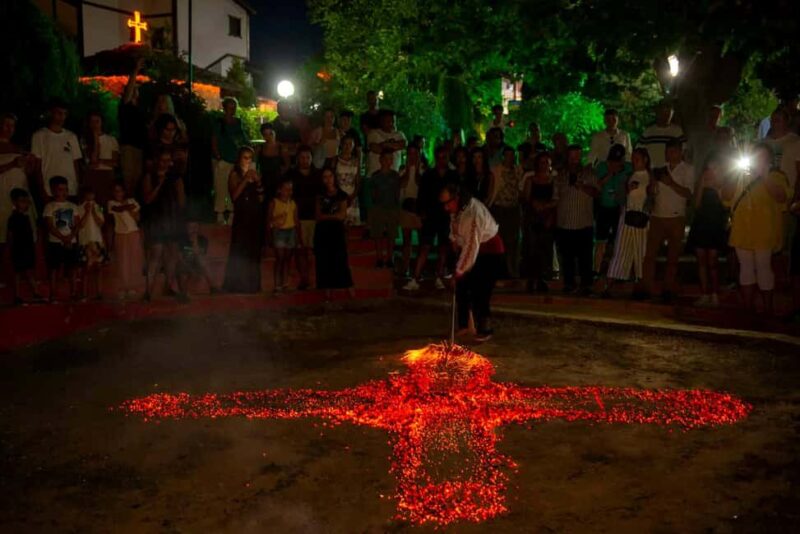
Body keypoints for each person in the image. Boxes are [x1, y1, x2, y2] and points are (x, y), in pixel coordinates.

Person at [722, 143, 790, 315]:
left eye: (762, 157)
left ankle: (768, 309)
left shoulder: (776, 176)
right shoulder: (741, 176)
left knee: (763, 267)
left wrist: (764, 176)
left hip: (764, 230)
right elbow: (726, 197)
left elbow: (781, 197)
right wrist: (732, 175)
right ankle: (748, 307)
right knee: (745, 267)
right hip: (742, 229)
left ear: (769, 159)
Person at [441, 183, 505, 342]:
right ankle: (465, 325)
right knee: (462, 287)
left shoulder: (473, 212)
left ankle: (485, 327)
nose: (445, 208)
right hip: (471, 248)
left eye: (447, 203)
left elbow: (472, 245)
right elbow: (454, 226)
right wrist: (454, 239)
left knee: (480, 290)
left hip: (489, 251)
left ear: (456, 198)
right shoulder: (457, 209)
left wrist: (460, 270)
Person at [641, 139, 695, 302]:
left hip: (676, 217)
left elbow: (689, 194)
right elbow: (651, 191)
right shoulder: (659, 168)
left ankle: (668, 288)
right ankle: (646, 287)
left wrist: (670, 183)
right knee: (650, 255)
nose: (669, 154)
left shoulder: (688, 169)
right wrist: (652, 187)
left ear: (680, 152)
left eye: (672, 151)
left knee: (673, 256)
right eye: (667, 151)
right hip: (657, 216)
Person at [404, 146, 459, 291]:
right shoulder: (429, 175)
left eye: (444, 157)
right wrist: (422, 211)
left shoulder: (453, 175)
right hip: (430, 215)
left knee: (443, 247)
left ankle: (439, 276)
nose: (442, 160)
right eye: (439, 157)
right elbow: (422, 194)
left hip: (446, 216)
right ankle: (415, 277)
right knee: (425, 246)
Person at [604, 148, 653, 298]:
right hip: (626, 216)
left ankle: (640, 287)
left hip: (642, 218)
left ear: (645, 159)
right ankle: (609, 286)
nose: (634, 161)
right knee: (620, 251)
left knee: (641, 252)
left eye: (637, 159)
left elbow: (653, 200)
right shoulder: (627, 176)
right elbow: (618, 198)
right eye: (633, 159)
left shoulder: (651, 177)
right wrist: (626, 189)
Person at [142, 148, 186, 302]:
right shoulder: (150, 176)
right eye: (163, 160)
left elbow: (181, 201)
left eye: (168, 161)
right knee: (156, 253)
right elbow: (147, 199)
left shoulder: (176, 178)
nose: (166, 164)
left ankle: (171, 286)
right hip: (156, 219)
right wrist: (159, 184)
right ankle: (148, 291)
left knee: (172, 254)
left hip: (171, 219)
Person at [554, 145, 598, 295]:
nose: (574, 160)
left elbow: (597, 193)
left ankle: (586, 285)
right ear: (567, 157)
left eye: (577, 157)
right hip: (565, 223)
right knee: (567, 258)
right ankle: (569, 284)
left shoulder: (590, 174)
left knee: (585, 258)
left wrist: (583, 187)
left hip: (583, 223)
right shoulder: (560, 175)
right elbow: (555, 198)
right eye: (571, 157)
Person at [686, 152, 728, 307]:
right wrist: (702, 185)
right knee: (701, 261)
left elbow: (726, 204)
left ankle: (715, 294)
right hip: (701, 222)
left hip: (716, 223)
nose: (711, 170)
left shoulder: (724, 181)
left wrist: (717, 187)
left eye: (715, 167)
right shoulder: (702, 180)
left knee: (713, 261)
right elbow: (696, 205)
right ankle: (704, 293)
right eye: (709, 167)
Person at [223, 147, 264, 294]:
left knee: (253, 251)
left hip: (254, 217)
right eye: (245, 157)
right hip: (242, 217)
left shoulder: (254, 174)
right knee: (240, 249)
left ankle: (252, 284)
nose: (247, 161)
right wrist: (246, 179)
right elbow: (234, 196)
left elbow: (261, 198)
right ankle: (237, 284)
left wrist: (258, 183)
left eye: (250, 158)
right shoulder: (235, 174)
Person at [0, 113, 37, 260]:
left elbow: (27, 172)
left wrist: (30, 164)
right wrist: (12, 164)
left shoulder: (18, 148)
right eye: (6, 124)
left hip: (19, 194)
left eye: (12, 126)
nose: (9, 129)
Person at [314, 167, 354, 299]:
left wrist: (328, 216)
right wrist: (333, 216)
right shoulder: (319, 195)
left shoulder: (342, 195)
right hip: (323, 232)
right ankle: (327, 292)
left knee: (340, 260)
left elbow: (342, 215)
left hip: (336, 231)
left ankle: (349, 290)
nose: (328, 180)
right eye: (325, 177)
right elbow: (318, 215)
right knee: (324, 261)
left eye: (330, 176)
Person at [31, 99, 82, 201]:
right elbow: (37, 165)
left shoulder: (71, 136)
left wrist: (78, 185)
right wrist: (41, 189)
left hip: (70, 189)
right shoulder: (39, 136)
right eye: (59, 113)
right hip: (50, 190)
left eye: (64, 114)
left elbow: (76, 162)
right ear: (51, 113)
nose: (62, 117)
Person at [522, 152, 558, 292]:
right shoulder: (531, 180)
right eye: (541, 162)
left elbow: (556, 199)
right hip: (532, 217)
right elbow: (525, 198)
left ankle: (544, 279)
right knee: (532, 248)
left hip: (547, 218)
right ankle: (532, 278)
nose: (544, 165)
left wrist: (546, 207)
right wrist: (534, 204)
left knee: (546, 248)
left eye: (546, 162)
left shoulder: (553, 181)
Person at [284, 145, 318, 290]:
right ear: (298, 159)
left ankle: (312, 277)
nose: (305, 160)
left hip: (314, 217)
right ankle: (304, 278)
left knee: (312, 249)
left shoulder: (317, 174)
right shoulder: (291, 175)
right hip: (297, 217)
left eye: (308, 157)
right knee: (299, 249)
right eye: (302, 157)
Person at [594, 144, 631, 275]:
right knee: (601, 241)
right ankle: (597, 270)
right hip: (604, 209)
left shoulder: (628, 168)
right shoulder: (602, 167)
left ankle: (615, 271)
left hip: (619, 209)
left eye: (617, 161)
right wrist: (611, 172)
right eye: (612, 161)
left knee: (618, 241)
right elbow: (598, 184)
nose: (614, 163)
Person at [43, 176, 80, 302]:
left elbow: (76, 224)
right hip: (56, 242)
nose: (63, 192)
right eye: (60, 189)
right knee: (54, 268)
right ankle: (53, 293)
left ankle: (74, 292)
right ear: (53, 191)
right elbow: (50, 226)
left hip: (71, 241)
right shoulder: (50, 206)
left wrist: (70, 237)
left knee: (72, 268)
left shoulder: (73, 206)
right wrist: (63, 238)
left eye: (65, 189)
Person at [212, 97, 248, 224]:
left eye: (234, 108)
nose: (232, 110)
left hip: (235, 160)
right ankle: (220, 212)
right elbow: (214, 140)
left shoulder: (237, 122)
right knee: (220, 187)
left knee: (235, 187)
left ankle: (232, 213)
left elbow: (243, 139)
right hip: (223, 159)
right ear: (225, 108)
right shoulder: (219, 123)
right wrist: (218, 157)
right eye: (230, 107)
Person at [490, 146, 523, 279]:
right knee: (500, 240)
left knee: (513, 241)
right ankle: (501, 271)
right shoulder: (496, 170)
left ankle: (511, 270)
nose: (510, 158)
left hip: (513, 209)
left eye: (512, 155)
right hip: (499, 208)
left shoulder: (518, 170)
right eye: (507, 155)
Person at [107, 182, 143, 300]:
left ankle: (132, 286)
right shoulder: (111, 203)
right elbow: (117, 209)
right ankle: (123, 287)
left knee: (134, 260)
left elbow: (137, 216)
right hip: (120, 234)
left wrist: (130, 208)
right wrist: (128, 207)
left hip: (133, 232)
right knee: (123, 261)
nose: (118, 193)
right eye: (115, 191)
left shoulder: (132, 200)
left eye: (120, 190)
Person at [119, 57, 148, 198]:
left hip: (139, 148)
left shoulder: (140, 110)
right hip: (129, 147)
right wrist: (135, 71)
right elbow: (129, 90)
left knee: (137, 181)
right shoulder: (125, 107)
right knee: (129, 180)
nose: (136, 90)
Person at [6, 189, 42, 304]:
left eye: (27, 201)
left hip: (27, 247)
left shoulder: (26, 217)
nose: (25, 204)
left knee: (28, 271)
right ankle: (19, 294)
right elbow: (10, 234)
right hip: (18, 248)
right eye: (22, 201)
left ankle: (35, 292)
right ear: (15, 202)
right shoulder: (14, 218)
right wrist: (11, 247)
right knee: (19, 272)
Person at [369, 149, 402, 268]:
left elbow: (397, 193)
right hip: (379, 207)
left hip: (392, 207)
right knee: (378, 233)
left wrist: (397, 207)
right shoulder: (375, 176)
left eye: (391, 159)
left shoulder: (395, 175)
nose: (389, 161)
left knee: (391, 234)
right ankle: (379, 257)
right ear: (381, 160)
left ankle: (389, 257)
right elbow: (372, 194)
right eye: (387, 158)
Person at [81, 111, 119, 208]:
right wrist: (95, 139)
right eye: (92, 122)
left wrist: (101, 161)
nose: (95, 125)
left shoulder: (111, 140)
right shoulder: (84, 140)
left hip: (107, 175)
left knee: (106, 203)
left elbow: (115, 162)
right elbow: (92, 161)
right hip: (92, 175)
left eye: (97, 121)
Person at [268, 178, 299, 293]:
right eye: (286, 189)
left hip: (290, 231)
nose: (289, 192)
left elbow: (296, 221)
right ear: (279, 190)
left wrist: (298, 237)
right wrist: (269, 235)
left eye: (290, 189)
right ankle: (277, 284)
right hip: (279, 231)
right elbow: (269, 219)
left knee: (287, 258)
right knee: (280, 258)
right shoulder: (274, 202)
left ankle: (285, 282)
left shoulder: (292, 203)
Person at [76, 186, 105, 300]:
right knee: (85, 268)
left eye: (92, 194)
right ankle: (84, 293)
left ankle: (99, 293)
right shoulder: (78, 208)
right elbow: (80, 225)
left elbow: (101, 223)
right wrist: (87, 212)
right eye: (88, 194)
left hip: (97, 240)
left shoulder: (99, 207)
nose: (90, 197)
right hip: (85, 241)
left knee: (98, 268)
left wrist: (93, 211)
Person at [637, 102, 686, 169]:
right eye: (664, 113)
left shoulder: (677, 131)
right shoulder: (648, 131)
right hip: (652, 170)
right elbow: (639, 151)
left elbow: (684, 150)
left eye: (668, 114)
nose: (666, 116)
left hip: (671, 171)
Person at [399, 145, 423, 277]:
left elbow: (422, 184)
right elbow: (401, 184)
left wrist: (417, 170)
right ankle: (405, 267)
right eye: (410, 154)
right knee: (406, 240)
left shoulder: (424, 170)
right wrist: (408, 171)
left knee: (421, 240)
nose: (412, 156)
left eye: (415, 154)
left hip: (419, 209)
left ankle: (418, 268)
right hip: (406, 208)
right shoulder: (402, 169)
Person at [179, 220, 220, 296]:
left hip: (198, 263)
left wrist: (195, 241)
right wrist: (189, 268)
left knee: (203, 262)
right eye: (191, 227)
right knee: (182, 268)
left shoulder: (203, 240)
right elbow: (180, 258)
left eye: (195, 227)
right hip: (186, 263)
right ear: (186, 229)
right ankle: (183, 292)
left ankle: (213, 287)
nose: (194, 230)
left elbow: (200, 256)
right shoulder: (182, 240)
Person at [366, 109, 406, 176]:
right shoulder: (373, 133)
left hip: (393, 177)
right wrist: (394, 146)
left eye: (393, 121)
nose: (391, 123)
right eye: (388, 121)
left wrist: (384, 145)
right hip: (375, 176)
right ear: (381, 121)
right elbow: (375, 148)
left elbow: (403, 144)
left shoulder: (399, 134)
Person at [334, 134, 361, 225]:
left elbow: (358, 179)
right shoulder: (335, 160)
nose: (347, 146)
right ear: (341, 145)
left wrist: (354, 194)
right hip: (338, 195)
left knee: (352, 224)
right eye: (345, 144)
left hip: (352, 195)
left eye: (350, 144)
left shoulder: (356, 160)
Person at [271, 100, 303, 165]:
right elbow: (271, 144)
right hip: (276, 162)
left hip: (293, 163)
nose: (287, 112)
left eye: (288, 109)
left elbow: (298, 143)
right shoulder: (272, 126)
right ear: (278, 111)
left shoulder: (295, 125)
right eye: (284, 110)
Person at [258, 122, 283, 198]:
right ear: (262, 136)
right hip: (264, 181)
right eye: (265, 134)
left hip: (278, 181)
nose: (268, 137)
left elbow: (287, 164)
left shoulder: (280, 147)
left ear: (274, 133)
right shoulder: (260, 148)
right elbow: (255, 164)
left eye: (270, 133)